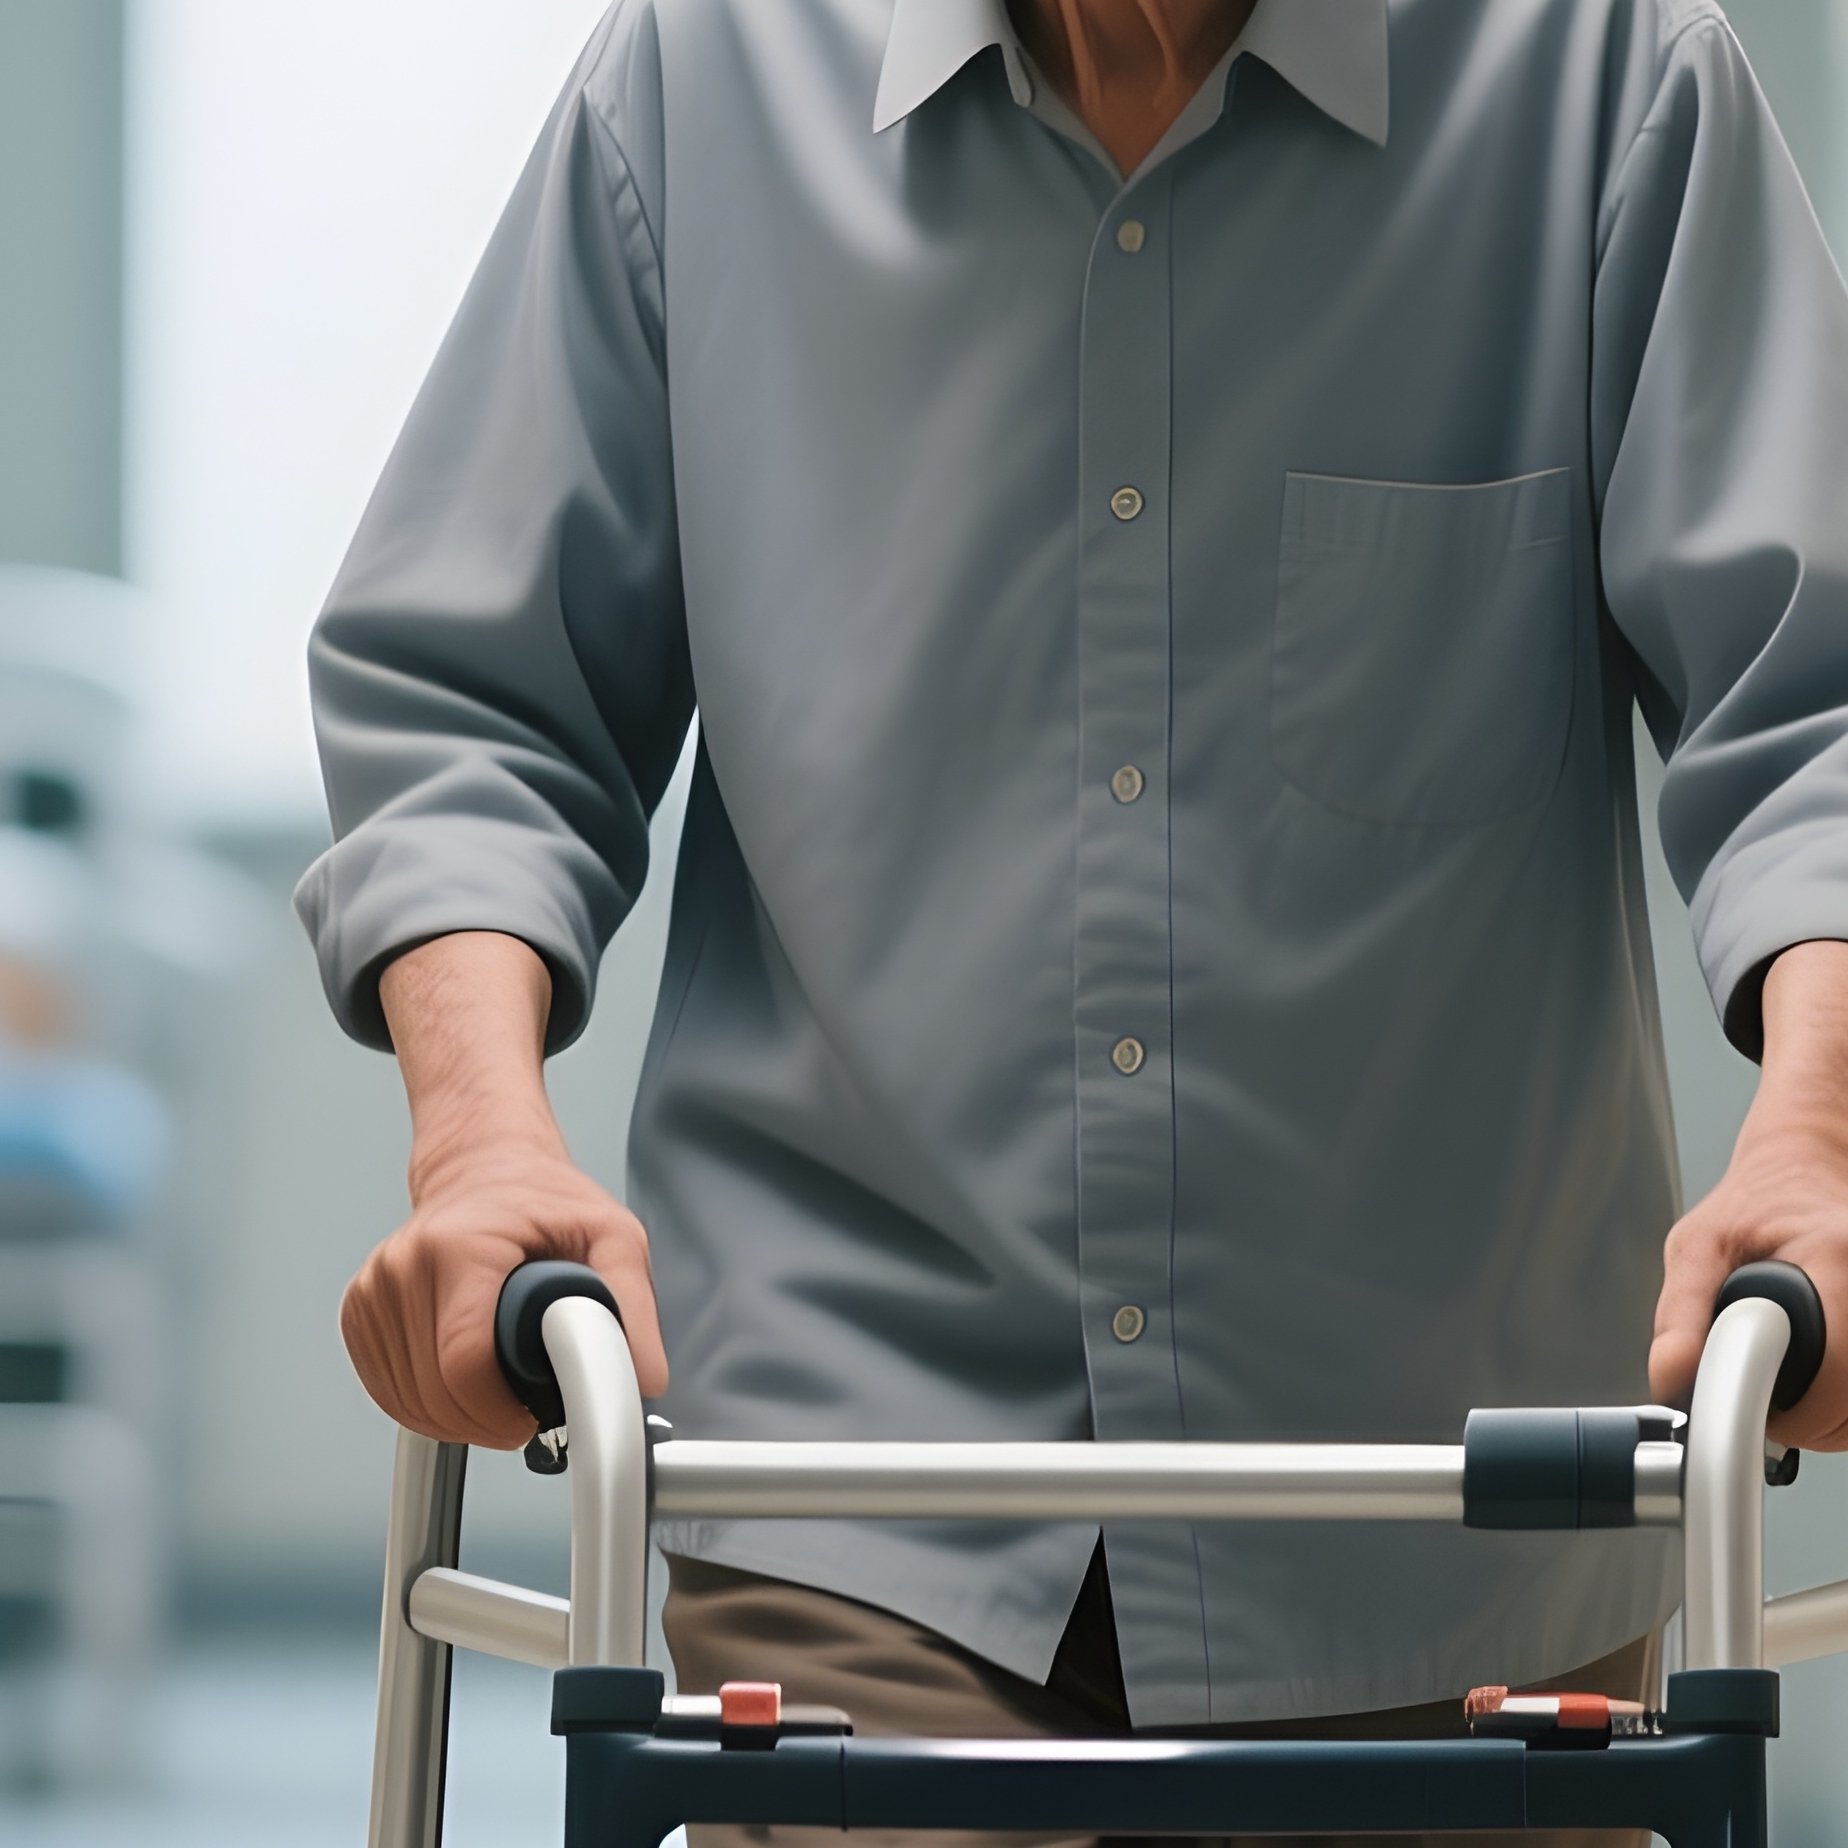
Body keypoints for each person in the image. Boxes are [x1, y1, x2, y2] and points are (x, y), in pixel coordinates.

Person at [294, 2, 1848, 1843]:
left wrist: (1817, 1137)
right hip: (854, 1494)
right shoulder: (708, 76)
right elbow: (474, 705)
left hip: (1448, 1522)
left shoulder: (1603, 73)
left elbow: (1814, 711)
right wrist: (479, 1146)